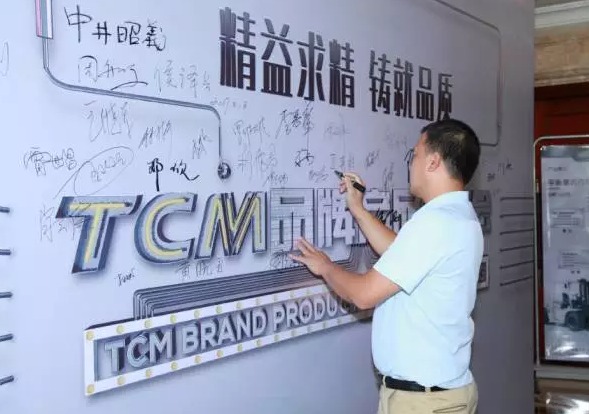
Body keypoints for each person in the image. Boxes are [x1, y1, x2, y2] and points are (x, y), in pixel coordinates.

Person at [289, 118, 483, 413]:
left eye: (415, 155)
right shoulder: (458, 217)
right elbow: (399, 254)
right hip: (437, 397)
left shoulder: (436, 222)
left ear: (433, 162)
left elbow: (363, 294)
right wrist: (358, 209)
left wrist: (326, 267)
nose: (411, 163)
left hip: (424, 403)